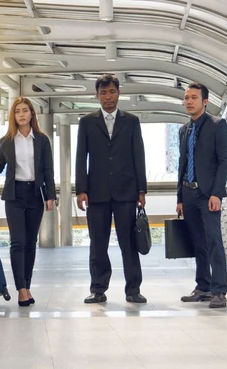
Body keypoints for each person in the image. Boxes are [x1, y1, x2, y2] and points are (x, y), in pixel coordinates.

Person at [0, 97, 56, 307]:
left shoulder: (41, 140)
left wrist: (50, 196)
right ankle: (21, 289)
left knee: (30, 244)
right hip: (14, 195)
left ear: (32, 114)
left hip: (35, 194)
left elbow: (48, 170)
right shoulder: (6, 141)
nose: (21, 114)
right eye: (17, 111)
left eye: (25, 110)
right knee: (18, 242)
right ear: (13, 116)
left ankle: (27, 286)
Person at [76, 74, 148, 304]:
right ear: (96, 96)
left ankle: (133, 290)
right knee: (98, 244)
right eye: (103, 93)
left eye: (111, 92)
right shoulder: (86, 122)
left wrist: (141, 190)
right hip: (96, 193)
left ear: (119, 93)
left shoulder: (132, 121)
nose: (108, 97)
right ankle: (98, 289)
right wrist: (80, 189)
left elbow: (139, 156)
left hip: (126, 192)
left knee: (129, 243)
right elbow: (80, 158)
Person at [176, 83, 227, 308]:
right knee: (198, 243)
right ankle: (203, 287)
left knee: (213, 240)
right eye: (186, 98)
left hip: (207, 194)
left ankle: (219, 291)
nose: (189, 101)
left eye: (194, 98)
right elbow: (182, 164)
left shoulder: (218, 125)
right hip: (188, 194)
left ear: (205, 101)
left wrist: (217, 193)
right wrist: (179, 198)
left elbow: (224, 161)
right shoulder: (183, 130)